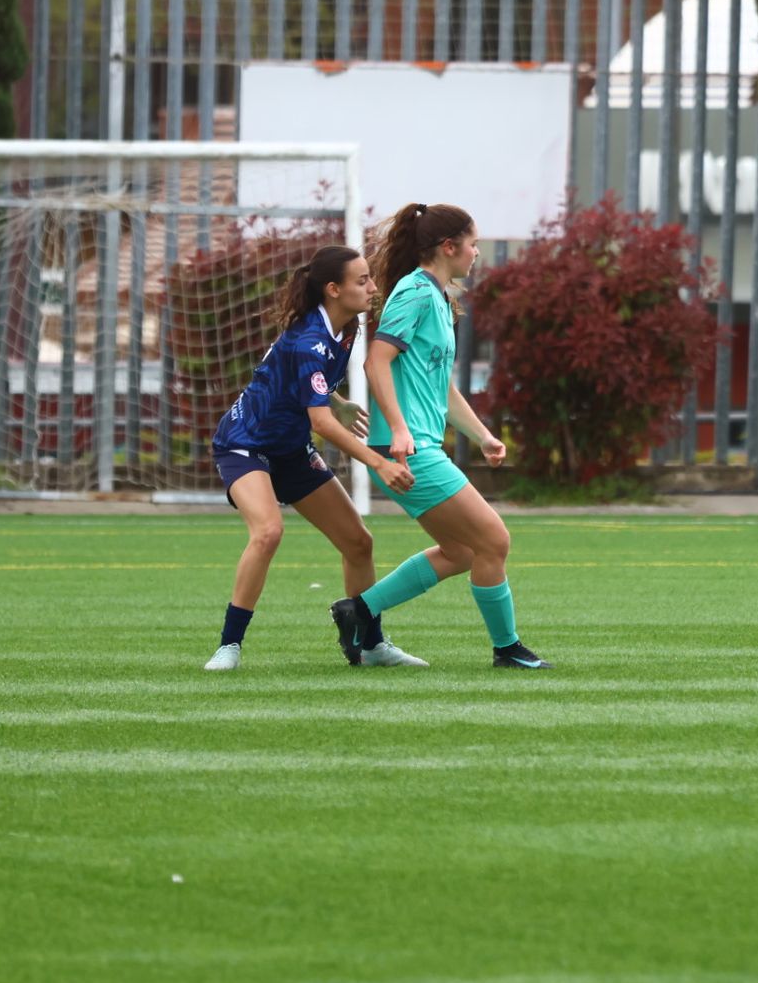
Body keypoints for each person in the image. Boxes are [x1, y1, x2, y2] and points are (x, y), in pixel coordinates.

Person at [329, 202, 552, 669]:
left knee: (463, 551)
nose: (476, 253)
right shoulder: (413, 292)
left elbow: (440, 387)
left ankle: (359, 610)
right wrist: (401, 430)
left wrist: (483, 435)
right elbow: (376, 362)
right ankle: (507, 649)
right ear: (449, 247)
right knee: (495, 540)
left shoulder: (437, 296)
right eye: (473, 244)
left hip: (416, 444)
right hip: (408, 449)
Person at [205, 245, 425, 670]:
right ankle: (229, 646)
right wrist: (378, 462)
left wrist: (337, 400)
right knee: (268, 532)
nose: (373, 287)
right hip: (244, 444)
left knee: (358, 542)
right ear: (333, 290)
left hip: (289, 450)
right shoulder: (309, 339)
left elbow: (310, 388)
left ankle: (371, 644)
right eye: (362, 280)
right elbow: (321, 424)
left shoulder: (346, 328)